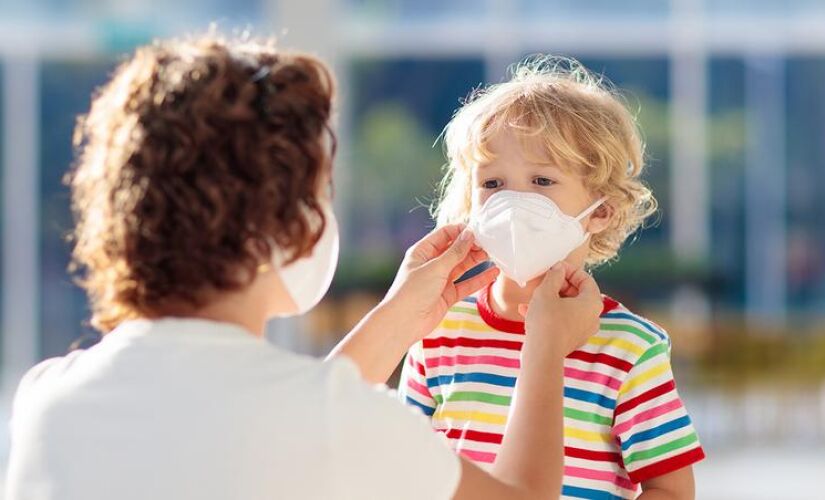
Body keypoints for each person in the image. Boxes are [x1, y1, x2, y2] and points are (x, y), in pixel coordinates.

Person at [5, 35, 603, 500]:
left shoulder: (45, 401)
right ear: (288, 225)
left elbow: (288, 423)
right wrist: (545, 348)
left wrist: (397, 318)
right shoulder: (331, 421)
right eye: (321, 193)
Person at [398, 57, 705, 499]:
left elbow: (672, 491)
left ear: (601, 211)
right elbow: (405, 469)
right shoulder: (437, 331)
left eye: (542, 180)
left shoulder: (630, 349)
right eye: (493, 183)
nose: (515, 202)